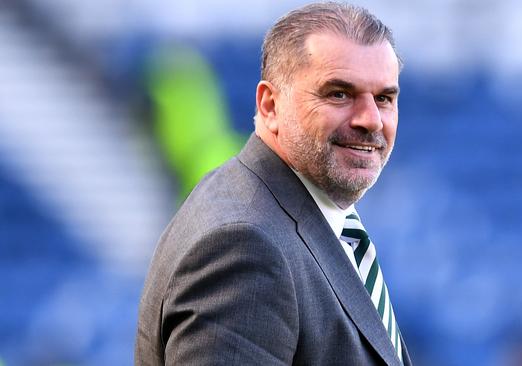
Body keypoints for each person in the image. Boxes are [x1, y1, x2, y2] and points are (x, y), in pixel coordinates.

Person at [135, 2, 411, 365]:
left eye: (384, 98)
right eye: (338, 94)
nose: (370, 120)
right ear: (269, 105)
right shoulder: (245, 247)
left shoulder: (292, 212)